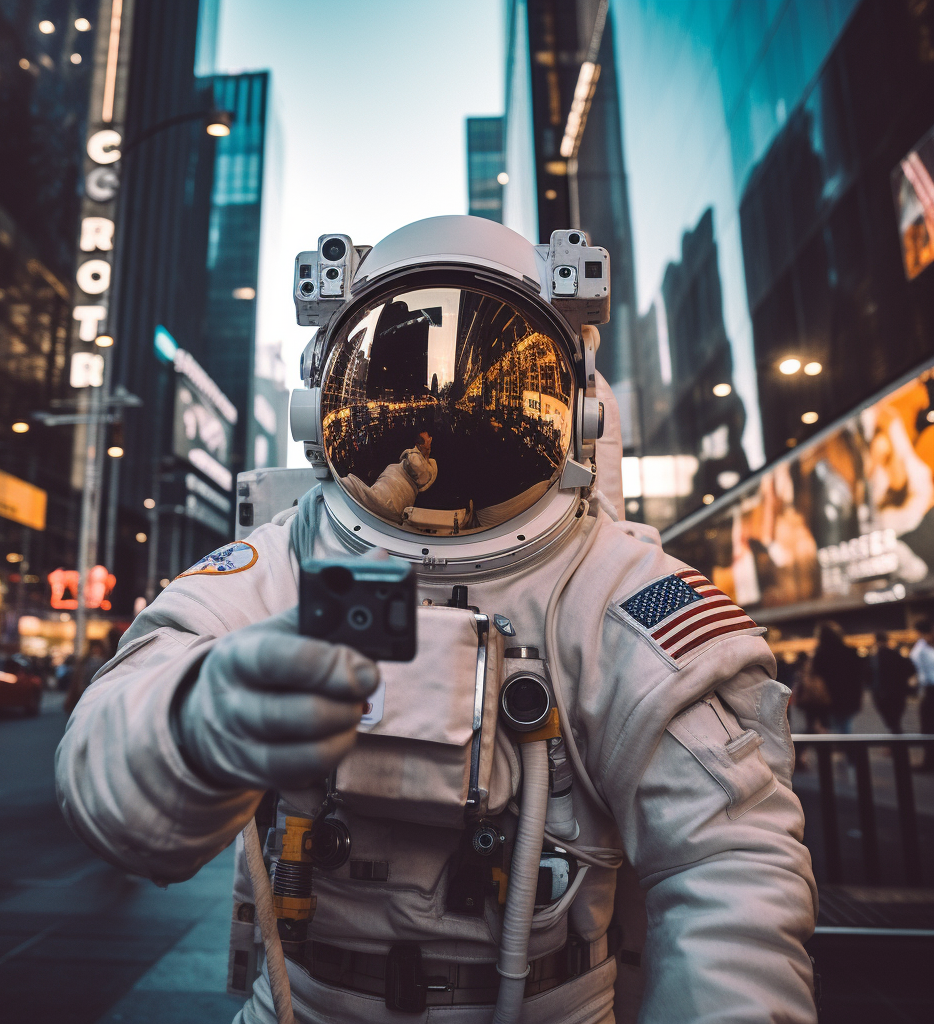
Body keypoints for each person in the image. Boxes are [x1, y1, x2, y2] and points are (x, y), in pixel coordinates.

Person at [57, 216, 818, 1023]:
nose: (446, 418)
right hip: (306, 1004)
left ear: (575, 411)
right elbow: (105, 787)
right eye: (402, 393)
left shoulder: (615, 588)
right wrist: (194, 721)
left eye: (481, 391)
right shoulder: (286, 560)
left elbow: (728, 870)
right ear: (319, 409)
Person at [339, 430, 437, 524]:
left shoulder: (427, 461)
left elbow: (423, 478)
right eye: (428, 439)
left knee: (381, 502)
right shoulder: (414, 455)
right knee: (379, 500)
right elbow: (418, 468)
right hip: (394, 482)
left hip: (399, 486)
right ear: (420, 445)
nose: (430, 440)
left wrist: (425, 455)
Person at [809, 621, 862, 734]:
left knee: (836, 725)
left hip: (828, 697)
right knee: (845, 724)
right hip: (849, 695)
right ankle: (847, 747)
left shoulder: (820, 655)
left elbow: (815, 677)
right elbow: (858, 676)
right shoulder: (850, 652)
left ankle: (842, 746)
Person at [871, 631, 913, 734]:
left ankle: (896, 745)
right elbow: (910, 669)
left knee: (891, 722)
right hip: (898, 693)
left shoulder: (875, 657)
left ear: (876, 642)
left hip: (882, 694)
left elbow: (871, 677)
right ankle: (896, 744)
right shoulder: (896, 654)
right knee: (895, 721)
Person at [909, 618, 934, 769]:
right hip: (930, 691)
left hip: (929, 691)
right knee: (928, 728)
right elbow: (921, 674)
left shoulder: (922, 649)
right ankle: (929, 761)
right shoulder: (920, 650)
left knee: (928, 727)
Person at [64, 640, 109, 715]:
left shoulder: (104, 661)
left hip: (98, 688)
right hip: (86, 687)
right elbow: (79, 676)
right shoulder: (85, 661)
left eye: (97, 648)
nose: (96, 650)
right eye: (94, 648)